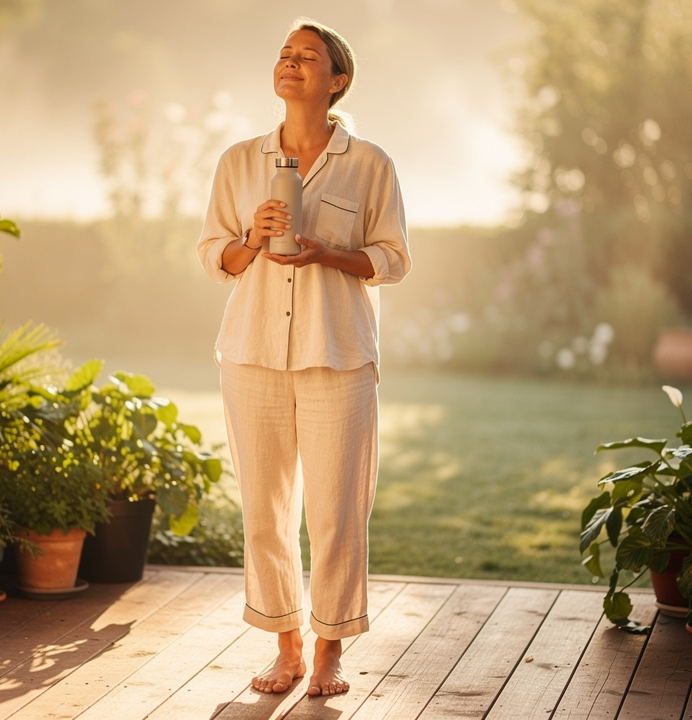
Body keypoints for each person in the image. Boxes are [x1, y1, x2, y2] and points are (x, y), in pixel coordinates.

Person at [196, 18, 411, 698]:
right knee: (264, 510)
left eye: (307, 57)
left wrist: (328, 252)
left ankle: (329, 653)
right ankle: (284, 649)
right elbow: (213, 257)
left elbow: (393, 260)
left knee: (337, 511)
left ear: (336, 80)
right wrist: (253, 240)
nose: (291, 64)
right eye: (284, 55)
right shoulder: (238, 161)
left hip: (338, 356)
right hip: (252, 354)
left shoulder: (370, 163)